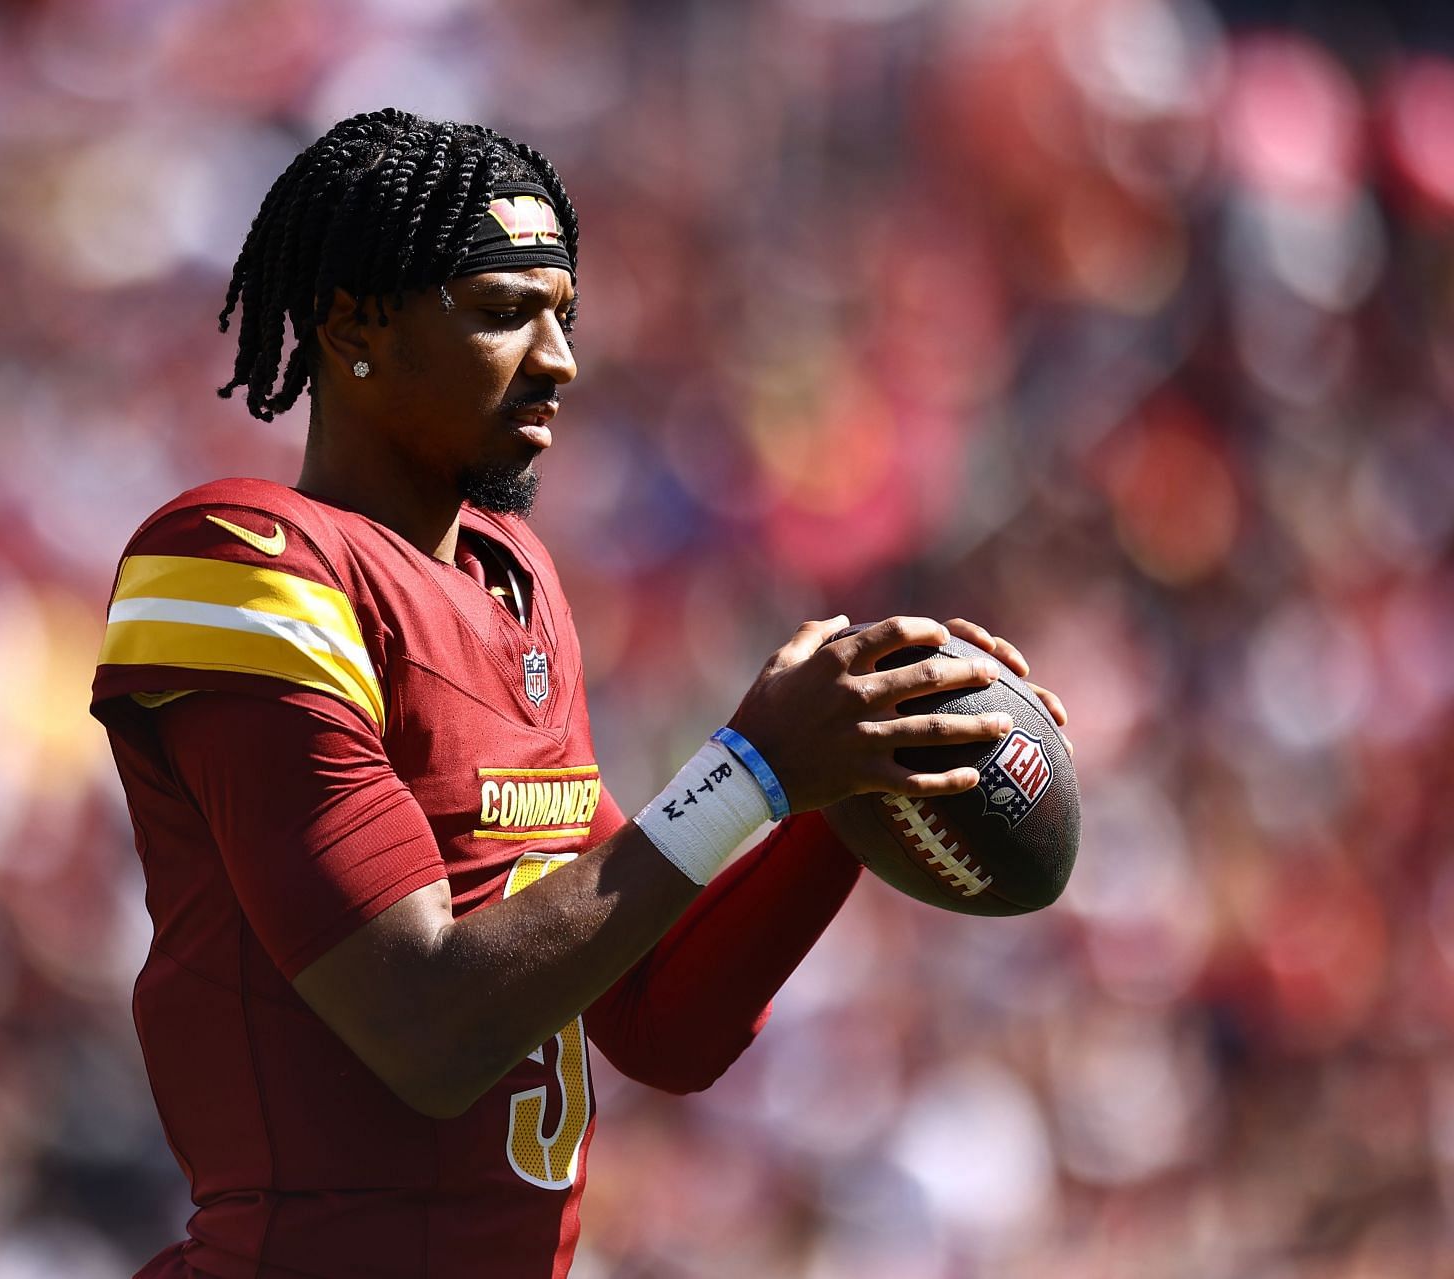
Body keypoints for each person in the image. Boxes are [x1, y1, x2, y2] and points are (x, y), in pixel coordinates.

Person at [90, 108, 1067, 1279]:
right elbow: (426, 1025)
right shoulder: (240, 559)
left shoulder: (512, 579)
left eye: (565, 316)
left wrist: (846, 783)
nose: (557, 358)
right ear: (354, 325)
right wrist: (755, 771)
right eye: (505, 314)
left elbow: (660, 1014)